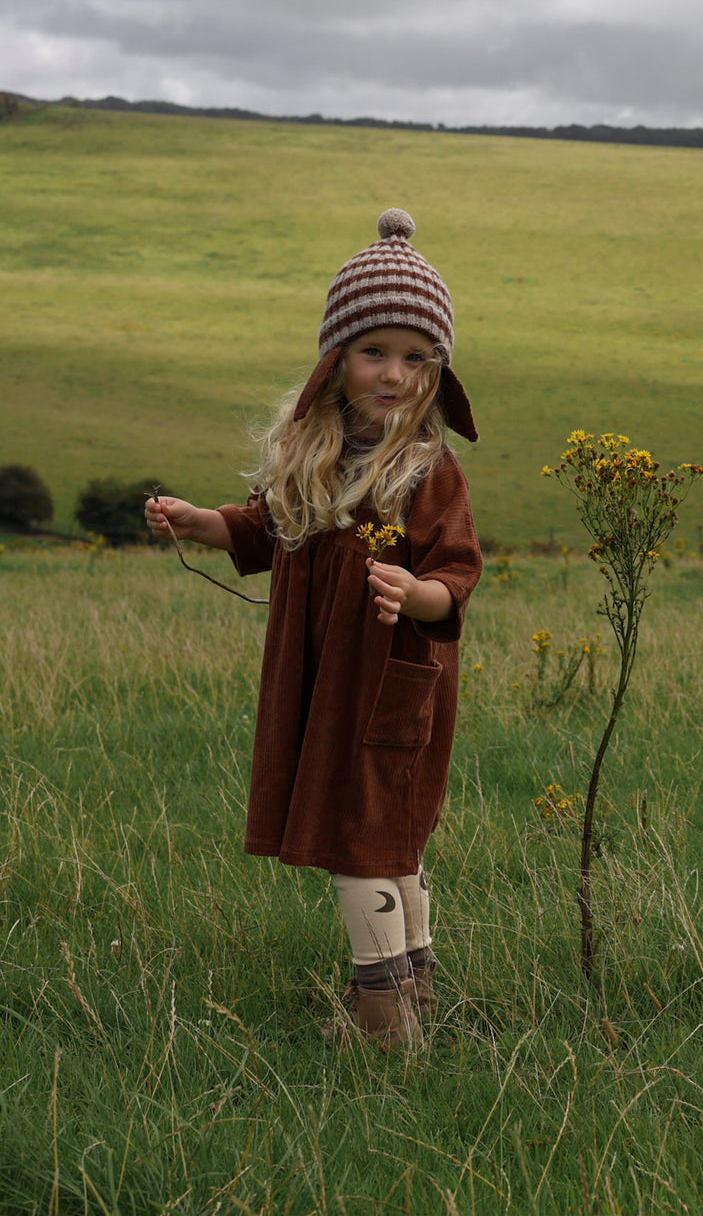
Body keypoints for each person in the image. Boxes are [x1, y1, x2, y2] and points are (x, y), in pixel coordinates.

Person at [145, 209, 482, 1048]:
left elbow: (459, 574)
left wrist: (418, 593)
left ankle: (382, 1024)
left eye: (415, 357)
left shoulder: (428, 471)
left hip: (388, 686)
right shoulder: (314, 454)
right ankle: (416, 993)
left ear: (436, 371)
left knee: (367, 839)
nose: (394, 374)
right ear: (335, 361)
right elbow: (263, 528)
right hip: (322, 684)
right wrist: (203, 522)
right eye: (375, 352)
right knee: (384, 843)